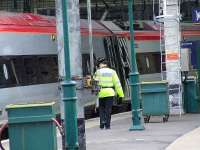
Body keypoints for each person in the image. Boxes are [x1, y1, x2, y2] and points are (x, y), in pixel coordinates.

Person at [94, 57, 124, 129]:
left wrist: (95, 93)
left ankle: (102, 124)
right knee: (108, 109)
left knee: (101, 109)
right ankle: (108, 125)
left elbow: (95, 83)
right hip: (110, 92)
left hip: (101, 92)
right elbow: (117, 84)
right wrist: (121, 94)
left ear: (100, 65)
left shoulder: (97, 72)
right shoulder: (112, 72)